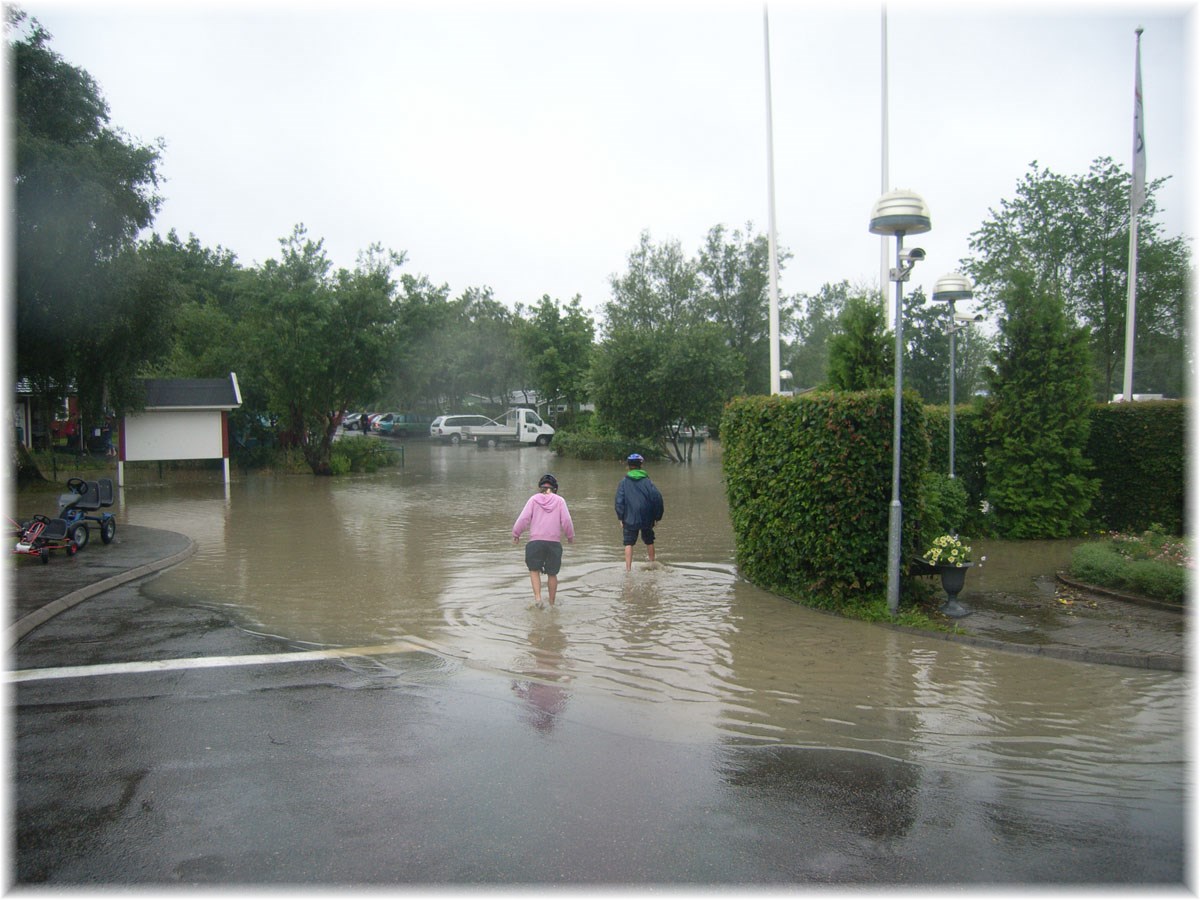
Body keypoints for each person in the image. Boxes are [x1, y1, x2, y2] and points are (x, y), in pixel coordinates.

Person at [512, 473, 575, 607]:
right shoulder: (560, 501)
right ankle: (552, 604)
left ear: (540, 487)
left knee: (534, 570)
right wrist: (570, 536)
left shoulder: (533, 500)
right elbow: (566, 520)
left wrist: (516, 533)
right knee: (552, 574)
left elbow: (524, 519)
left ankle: (538, 599)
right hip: (554, 543)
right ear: (555, 488)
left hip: (535, 542)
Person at [615, 453, 664, 572]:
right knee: (649, 540)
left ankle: (628, 569)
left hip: (629, 518)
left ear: (628, 466)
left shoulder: (624, 482)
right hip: (647, 517)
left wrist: (621, 517)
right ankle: (652, 564)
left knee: (628, 543)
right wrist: (657, 517)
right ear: (641, 465)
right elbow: (657, 499)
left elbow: (619, 501)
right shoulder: (648, 482)